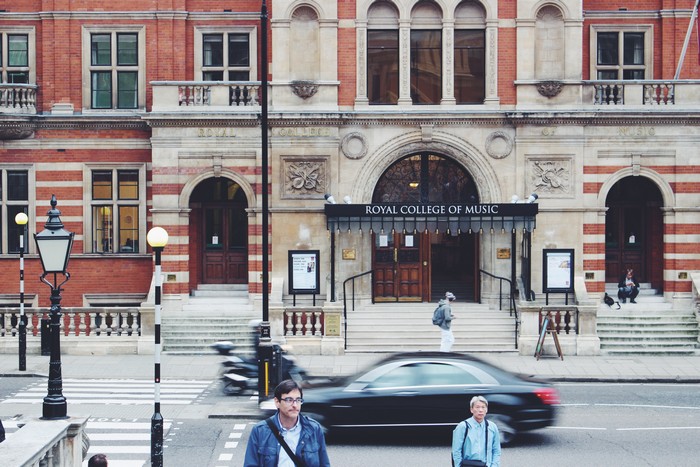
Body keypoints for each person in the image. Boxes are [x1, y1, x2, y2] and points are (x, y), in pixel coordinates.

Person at [244, 379, 330, 467]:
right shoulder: (260, 431)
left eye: (298, 400)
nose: (295, 405)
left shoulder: (314, 429)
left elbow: (324, 464)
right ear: (277, 402)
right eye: (289, 400)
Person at [452, 396, 501, 467]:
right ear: (471, 409)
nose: (480, 410)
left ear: (486, 410)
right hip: (468, 464)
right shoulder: (463, 426)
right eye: (477, 407)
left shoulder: (492, 427)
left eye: (483, 407)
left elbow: (496, 450)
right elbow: (456, 451)